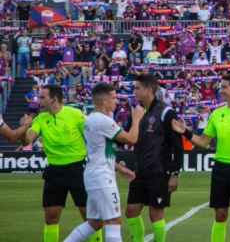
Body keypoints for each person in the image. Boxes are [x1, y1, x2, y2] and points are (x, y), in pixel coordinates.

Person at [172, 74, 230, 242]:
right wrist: (185, 132)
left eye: (224, 87)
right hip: (220, 169)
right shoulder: (217, 114)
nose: (221, 90)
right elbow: (204, 142)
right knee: (220, 215)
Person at [21, 85, 102, 242]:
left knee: (89, 216)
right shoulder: (40, 118)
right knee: (51, 216)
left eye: (43, 97)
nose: (39, 100)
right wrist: (25, 126)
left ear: (54, 99)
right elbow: (28, 140)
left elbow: (93, 135)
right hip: (54, 171)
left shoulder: (75, 114)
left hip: (78, 169)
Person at [64, 83, 143, 242]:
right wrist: (137, 119)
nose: (116, 101)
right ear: (104, 100)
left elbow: (99, 151)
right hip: (102, 177)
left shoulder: (93, 119)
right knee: (113, 221)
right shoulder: (102, 120)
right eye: (113, 98)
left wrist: (119, 168)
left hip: (95, 174)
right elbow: (132, 139)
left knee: (95, 222)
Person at [125, 74, 184, 242]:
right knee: (131, 211)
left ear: (149, 89)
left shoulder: (166, 112)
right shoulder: (138, 112)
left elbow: (177, 146)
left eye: (137, 88)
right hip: (140, 171)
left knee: (155, 213)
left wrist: (175, 173)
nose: (134, 91)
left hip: (158, 172)